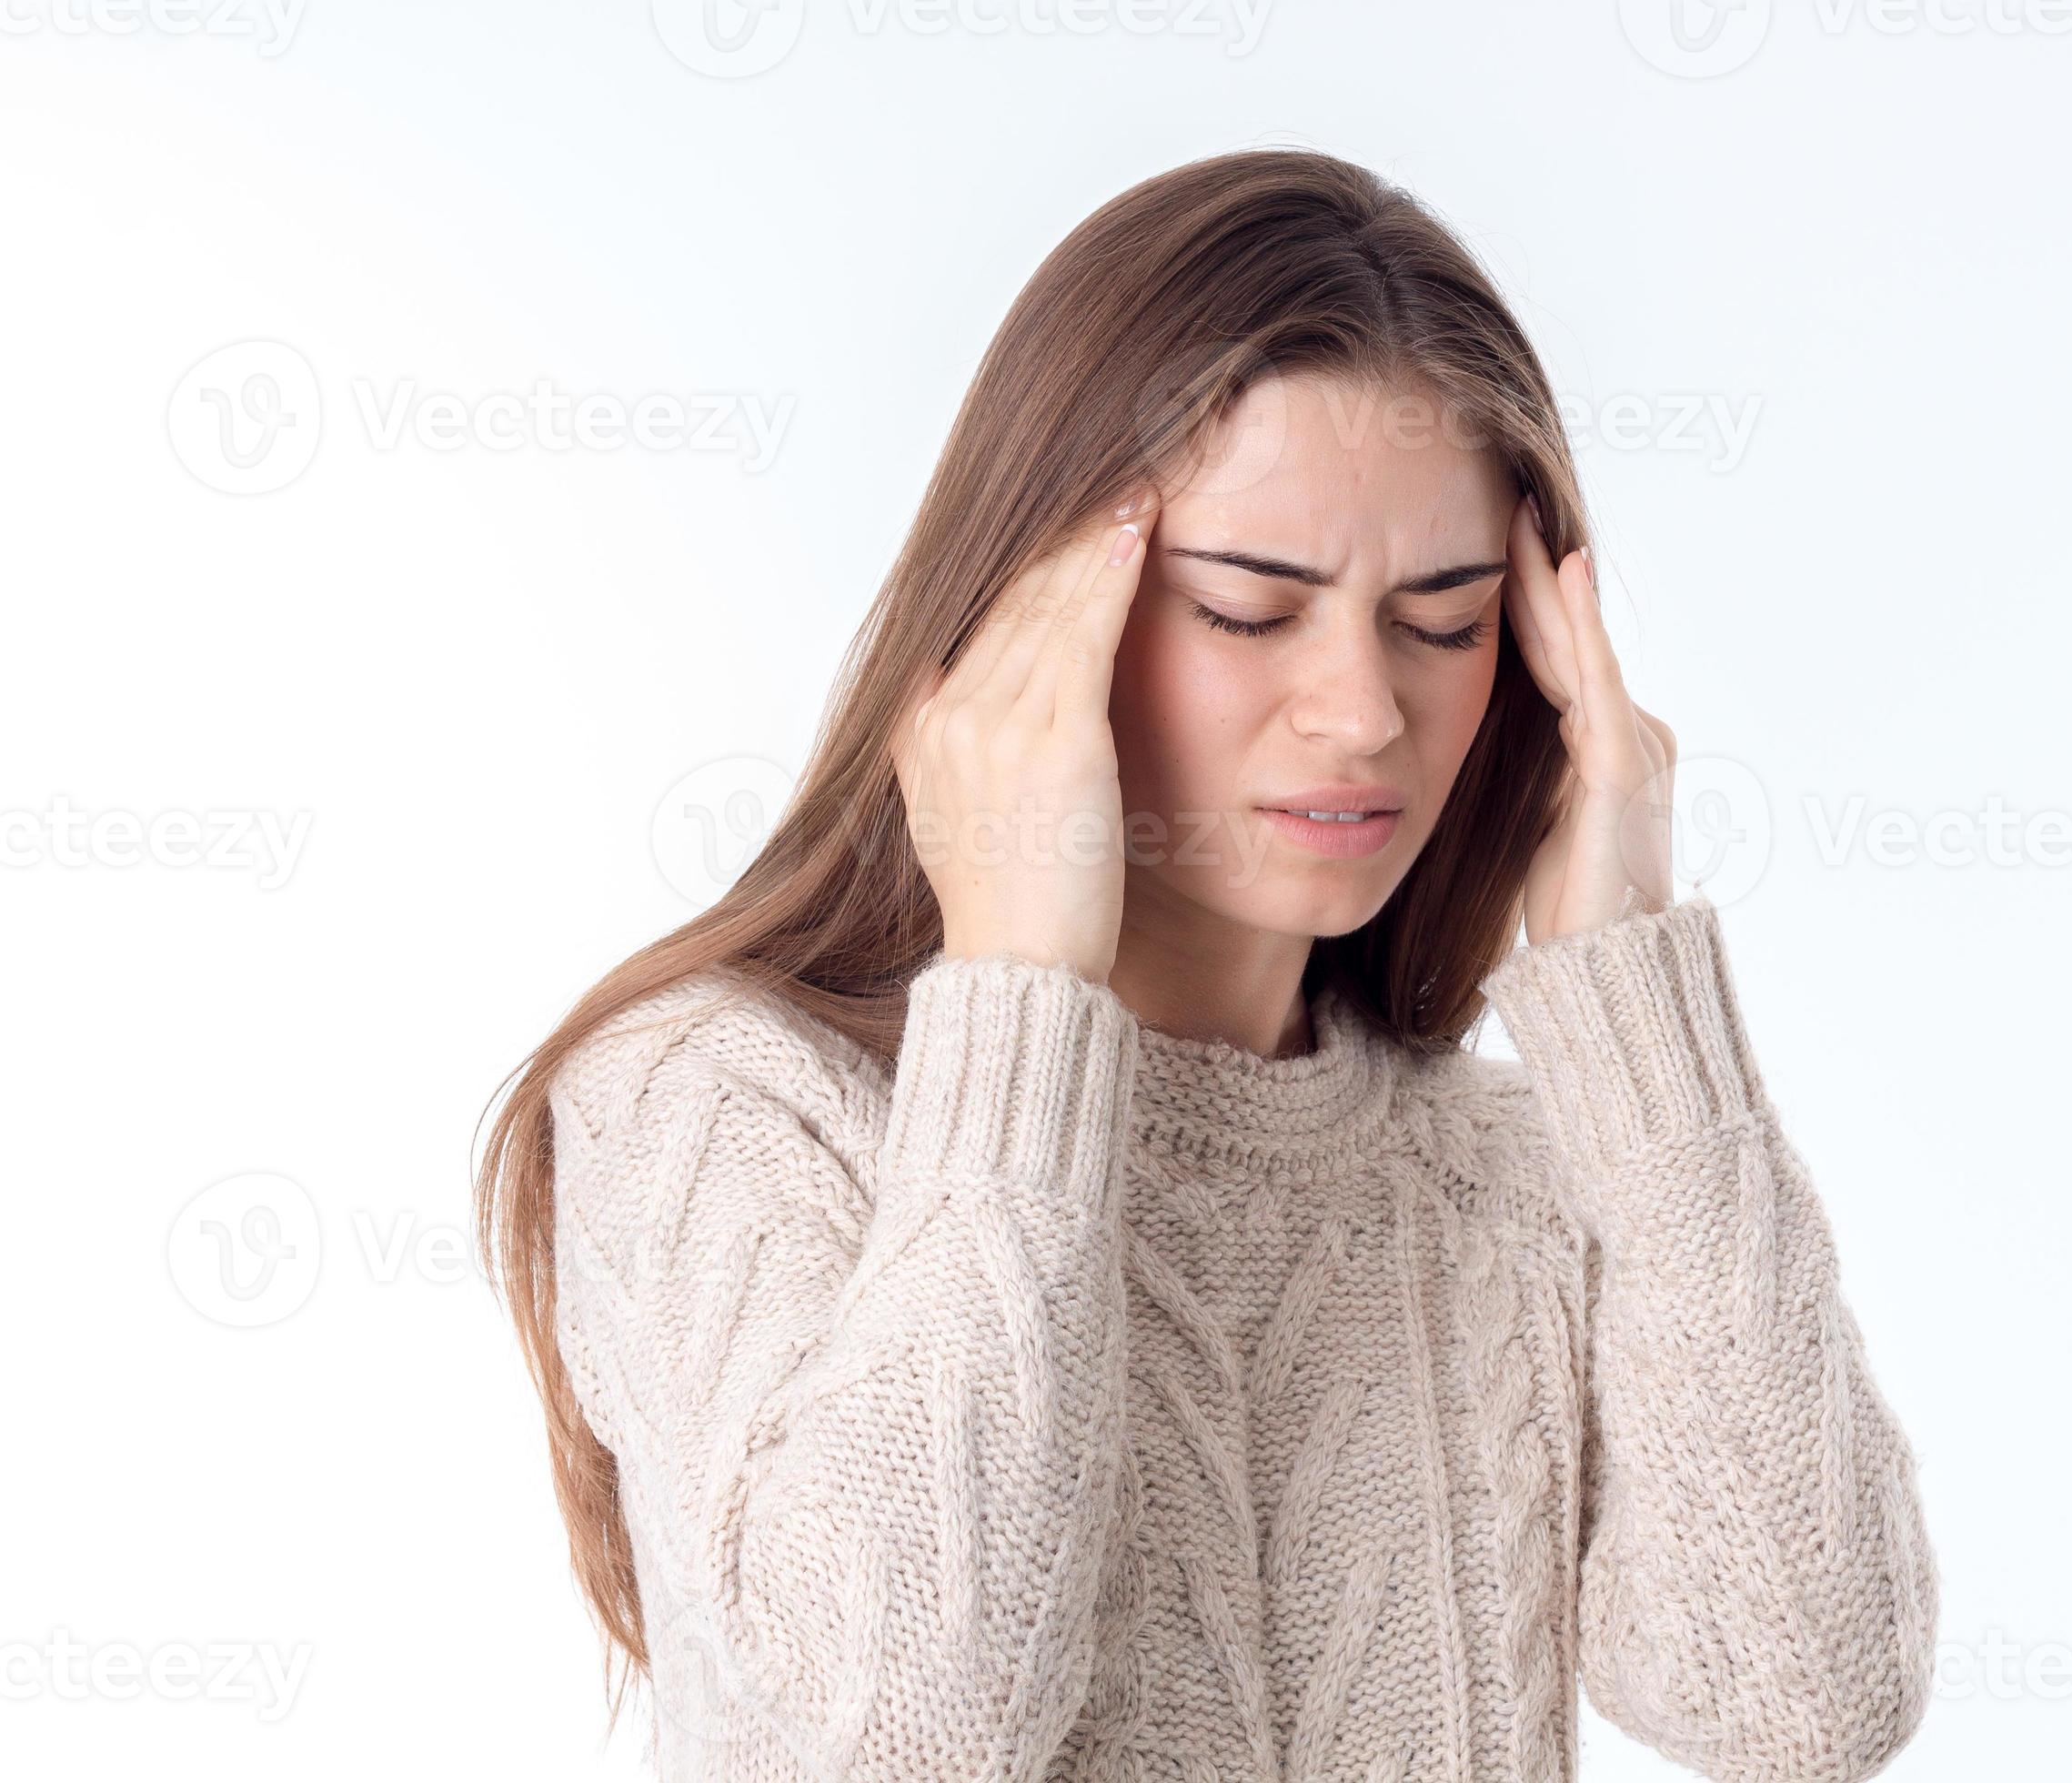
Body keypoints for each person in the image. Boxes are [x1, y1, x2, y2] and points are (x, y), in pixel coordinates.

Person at [476, 146, 1937, 1782]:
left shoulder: (1516, 1177)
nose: (1364, 713)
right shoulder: (727, 1103)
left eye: (1445, 621)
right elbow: (899, 1735)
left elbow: (1805, 1704)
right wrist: (1022, 984)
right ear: (1032, 613)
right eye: (1252, 609)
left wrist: (1641, 1023)